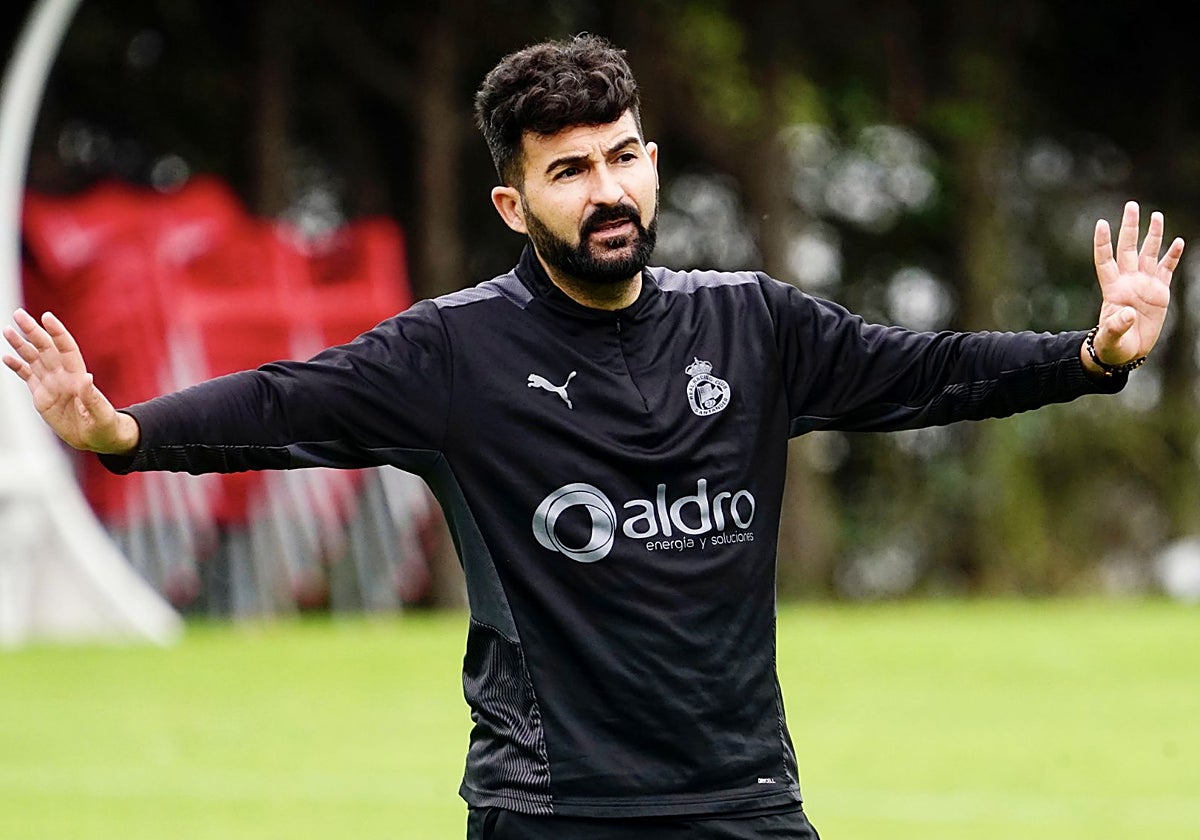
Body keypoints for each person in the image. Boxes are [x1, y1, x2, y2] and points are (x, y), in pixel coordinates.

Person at [2, 33, 1185, 840]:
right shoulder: (452, 355)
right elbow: (281, 404)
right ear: (515, 205)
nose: (606, 190)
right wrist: (119, 432)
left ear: (653, 164)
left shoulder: (754, 324)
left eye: (622, 157)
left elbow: (930, 372)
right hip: (553, 806)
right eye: (570, 171)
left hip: (745, 797)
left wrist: (1093, 356)